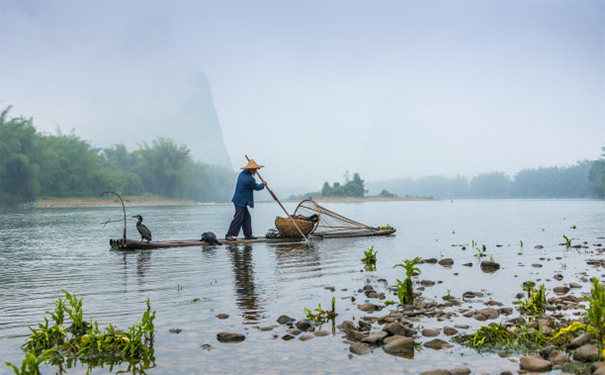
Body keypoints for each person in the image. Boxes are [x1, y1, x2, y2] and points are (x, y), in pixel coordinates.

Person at [225, 159, 267, 240]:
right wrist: (263, 184)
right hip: (240, 200)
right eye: (254, 169)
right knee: (238, 217)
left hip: (241, 200)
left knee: (247, 217)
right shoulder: (249, 179)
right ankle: (229, 235)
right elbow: (257, 187)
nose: (255, 171)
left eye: (256, 169)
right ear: (250, 169)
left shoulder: (242, 174)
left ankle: (248, 235)